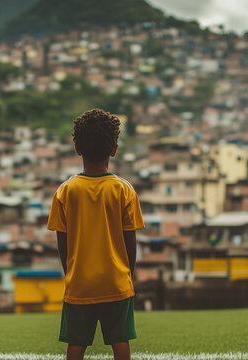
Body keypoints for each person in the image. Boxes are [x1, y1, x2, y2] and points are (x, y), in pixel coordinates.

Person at [47, 109, 144, 360]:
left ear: (77, 147)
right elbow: (129, 240)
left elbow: (63, 242)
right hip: (116, 282)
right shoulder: (124, 190)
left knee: (76, 346)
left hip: (80, 284)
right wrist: (128, 276)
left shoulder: (64, 191)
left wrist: (71, 274)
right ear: (114, 148)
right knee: (120, 343)